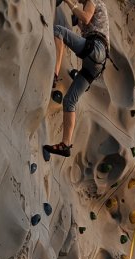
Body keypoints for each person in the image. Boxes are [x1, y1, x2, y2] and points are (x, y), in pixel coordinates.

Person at [43, 0, 110, 158]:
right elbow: (84, 21)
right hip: (97, 64)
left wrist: (68, 2)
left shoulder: (93, 1)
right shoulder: (96, 12)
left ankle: (55, 72)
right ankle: (66, 144)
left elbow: (86, 18)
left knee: (58, 31)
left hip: (95, 49)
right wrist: (75, 10)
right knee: (70, 101)